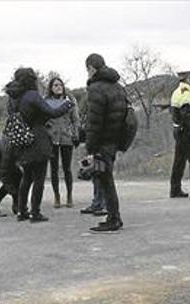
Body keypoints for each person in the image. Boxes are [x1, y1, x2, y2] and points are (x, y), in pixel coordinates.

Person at [4, 68, 74, 223]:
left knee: (27, 177)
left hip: (22, 140)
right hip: (38, 139)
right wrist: (67, 105)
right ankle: (35, 213)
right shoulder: (32, 95)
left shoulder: (13, 98)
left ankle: (22, 211)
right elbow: (52, 112)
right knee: (39, 179)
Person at [84, 53, 127, 232]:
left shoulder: (96, 89)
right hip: (115, 139)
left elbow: (94, 121)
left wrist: (91, 147)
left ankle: (114, 218)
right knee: (106, 178)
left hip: (102, 141)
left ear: (91, 69)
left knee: (106, 180)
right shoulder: (118, 87)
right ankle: (113, 216)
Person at [44, 77, 80, 208]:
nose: (58, 87)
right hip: (52, 138)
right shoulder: (46, 102)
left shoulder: (69, 101)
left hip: (66, 138)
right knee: (53, 169)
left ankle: (69, 195)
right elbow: (43, 119)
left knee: (67, 168)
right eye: (55, 85)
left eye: (60, 85)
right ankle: (57, 196)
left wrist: (76, 133)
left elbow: (75, 119)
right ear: (51, 88)